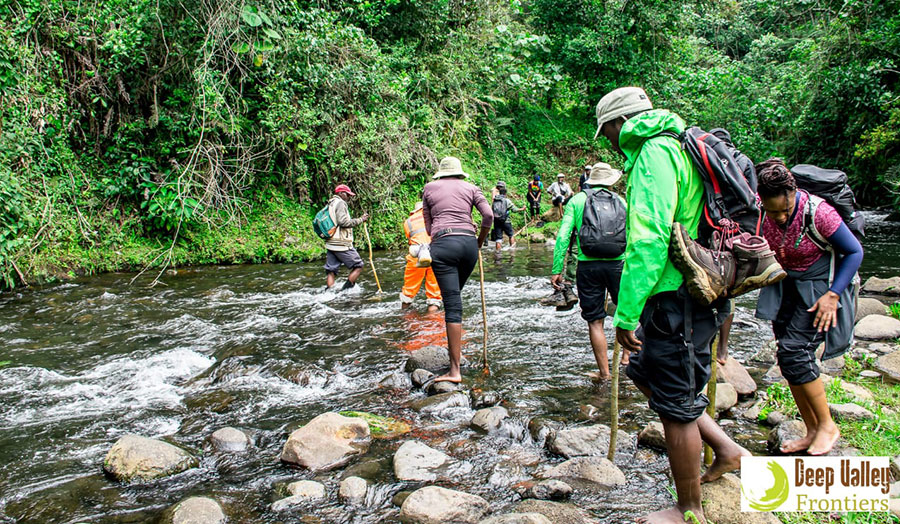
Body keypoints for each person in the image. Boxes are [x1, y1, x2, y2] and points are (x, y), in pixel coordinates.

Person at [596, 87, 749, 524]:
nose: (607, 139)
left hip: (676, 296)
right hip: (698, 286)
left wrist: (625, 314)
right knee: (645, 373)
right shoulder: (680, 143)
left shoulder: (653, 154)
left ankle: (688, 509)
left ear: (619, 123)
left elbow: (648, 241)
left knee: (677, 407)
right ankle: (726, 448)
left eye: (606, 130)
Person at [754, 158, 863, 456]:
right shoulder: (762, 212)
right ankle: (811, 429)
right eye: (771, 210)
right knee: (787, 356)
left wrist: (833, 295)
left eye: (784, 210)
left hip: (821, 288)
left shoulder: (819, 213)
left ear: (794, 194)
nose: (778, 217)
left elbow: (854, 252)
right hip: (787, 285)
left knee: (795, 352)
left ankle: (827, 425)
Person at [550, 163, 627, 379]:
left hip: (588, 266)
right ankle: (627, 359)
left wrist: (558, 269)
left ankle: (604, 373)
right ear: (611, 181)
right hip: (618, 263)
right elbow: (631, 233)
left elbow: (563, 236)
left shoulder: (577, 200)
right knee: (626, 312)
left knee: (595, 321)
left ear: (590, 180)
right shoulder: (621, 201)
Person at [422, 156, 492, 383]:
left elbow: (429, 227)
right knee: (455, 298)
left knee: (452, 304)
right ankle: (457, 352)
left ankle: (455, 371)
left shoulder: (429, 188)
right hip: (469, 246)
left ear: (440, 173)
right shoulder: (471, 188)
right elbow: (489, 216)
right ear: (460, 173)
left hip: (443, 244)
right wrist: (479, 240)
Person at [324, 184, 369, 290]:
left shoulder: (331, 203)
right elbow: (343, 222)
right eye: (347, 194)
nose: (349, 197)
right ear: (340, 193)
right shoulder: (340, 203)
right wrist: (360, 220)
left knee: (331, 270)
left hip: (331, 242)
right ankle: (346, 290)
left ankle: (328, 293)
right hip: (341, 243)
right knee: (358, 265)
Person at [401, 201, 442, 313]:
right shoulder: (436, 217)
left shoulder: (408, 221)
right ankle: (432, 322)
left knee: (408, 291)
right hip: (435, 254)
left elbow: (410, 239)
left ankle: (405, 320)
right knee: (434, 295)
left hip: (416, 255)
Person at [491, 181, 524, 250]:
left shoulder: (494, 201)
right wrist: (522, 209)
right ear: (505, 194)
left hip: (496, 221)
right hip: (506, 221)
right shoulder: (507, 200)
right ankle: (512, 251)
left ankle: (498, 253)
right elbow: (514, 210)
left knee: (498, 239)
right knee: (511, 235)